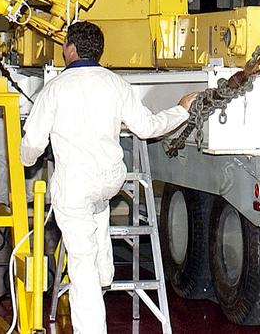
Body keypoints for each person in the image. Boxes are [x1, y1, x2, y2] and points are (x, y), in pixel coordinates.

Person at [20, 20, 199, 334]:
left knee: (81, 265)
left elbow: (33, 142)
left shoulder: (56, 88)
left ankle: (92, 314)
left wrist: (26, 159)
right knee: (97, 209)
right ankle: (105, 273)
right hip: (109, 181)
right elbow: (147, 128)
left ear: (70, 49)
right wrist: (181, 110)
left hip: (75, 186)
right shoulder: (116, 84)